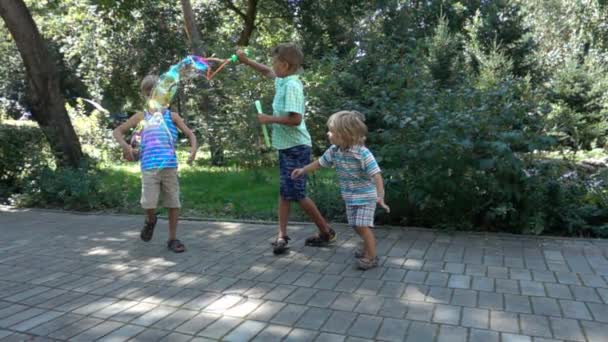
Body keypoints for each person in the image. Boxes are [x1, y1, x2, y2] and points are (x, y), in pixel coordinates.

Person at [237, 43, 336, 254]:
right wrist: (246, 61)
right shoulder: (283, 79)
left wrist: (268, 119)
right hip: (286, 146)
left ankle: (325, 231)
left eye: (275, 62)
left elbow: (296, 119)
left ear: (285, 64)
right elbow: (266, 71)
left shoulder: (292, 86)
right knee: (285, 192)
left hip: (296, 147)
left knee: (298, 193)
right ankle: (282, 236)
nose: (272, 66)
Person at [292, 111, 389, 270]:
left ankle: (371, 257)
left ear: (345, 134)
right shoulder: (334, 151)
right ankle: (367, 247)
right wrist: (303, 170)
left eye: (331, 131)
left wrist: (380, 197)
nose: (328, 133)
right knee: (356, 226)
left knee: (362, 227)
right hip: (350, 197)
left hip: (366, 197)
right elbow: (320, 163)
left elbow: (377, 175)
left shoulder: (362, 153)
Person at [113, 75, 198, 253]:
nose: (153, 96)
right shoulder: (140, 117)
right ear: (144, 95)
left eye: (157, 92)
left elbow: (190, 134)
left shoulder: (172, 116)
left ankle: (172, 239)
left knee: (173, 203)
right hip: (149, 168)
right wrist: (126, 147)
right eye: (148, 92)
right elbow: (118, 132)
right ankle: (151, 220)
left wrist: (193, 151)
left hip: (169, 166)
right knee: (148, 204)